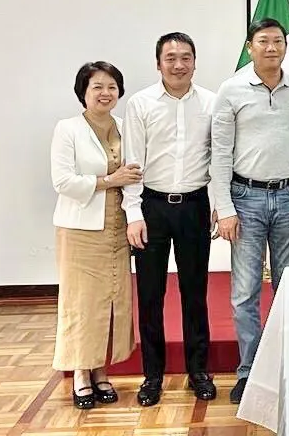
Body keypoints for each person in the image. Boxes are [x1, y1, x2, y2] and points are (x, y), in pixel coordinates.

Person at [211, 18, 289, 404]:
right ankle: (249, 372)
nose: (271, 47)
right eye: (263, 41)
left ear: (286, 46)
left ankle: (285, 366)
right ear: (249, 47)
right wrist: (224, 208)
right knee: (245, 291)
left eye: (278, 41)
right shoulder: (231, 90)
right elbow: (220, 152)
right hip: (245, 199)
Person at [122, 32, 217, 406]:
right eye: (171, 58)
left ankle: (198, 371)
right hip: (152, 208)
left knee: (195, 293)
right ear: (158, 63)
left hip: (195, 205)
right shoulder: (141, 103)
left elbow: (218, 157)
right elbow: (132, 162)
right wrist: (133, 213)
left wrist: (218, 203)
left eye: (185, 57)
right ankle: (153, 376)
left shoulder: (211, 102)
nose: (179, 65)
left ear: (195, 61)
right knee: (150, 295)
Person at [51, 61, 141, 409]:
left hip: (117, 227)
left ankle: (102, 370)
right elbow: (62, 181)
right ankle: (80, 373)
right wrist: (108, 181)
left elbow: (136, 173)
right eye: (97, 87)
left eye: (112, 87)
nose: (105, 93)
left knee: (111, 301)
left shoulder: (125, 127)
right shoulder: (68, 129)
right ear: (83, 92)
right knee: (81, 303)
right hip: (80, 230)